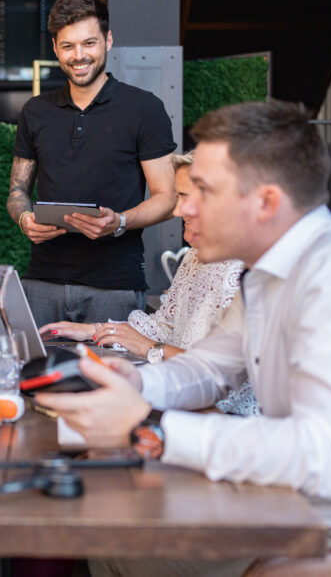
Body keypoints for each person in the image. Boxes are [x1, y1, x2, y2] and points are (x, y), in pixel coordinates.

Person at [38, 100, 331, 575]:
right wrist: (136, 386)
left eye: (202, 190)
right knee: (115, 529)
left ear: (265, 201)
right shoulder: (267, 272)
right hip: (315, 513)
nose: (183, 207)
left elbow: (327, 457)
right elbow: (210, 366)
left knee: (127, 545)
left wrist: (155, 430)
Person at [38, 152, 255, 416]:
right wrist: (96, 330)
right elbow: (164, 325)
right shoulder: (194, 257)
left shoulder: (245, 273)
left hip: (225, 420)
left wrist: (150, 349)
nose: (176, 210)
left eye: (186, 197)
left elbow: (225, 377)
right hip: (186, 406)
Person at [8, 0, 177, 325]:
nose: (79, 55)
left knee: (112, 376)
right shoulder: (35, 112)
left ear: (108, 41)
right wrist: (24, 218)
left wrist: (120, 222)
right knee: (36, 376)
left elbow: (167, 198)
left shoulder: (145, 109)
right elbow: (17, 191)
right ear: (55, 48)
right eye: (68, 46)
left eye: (89, 43)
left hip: (115, 286)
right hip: (41, 281)